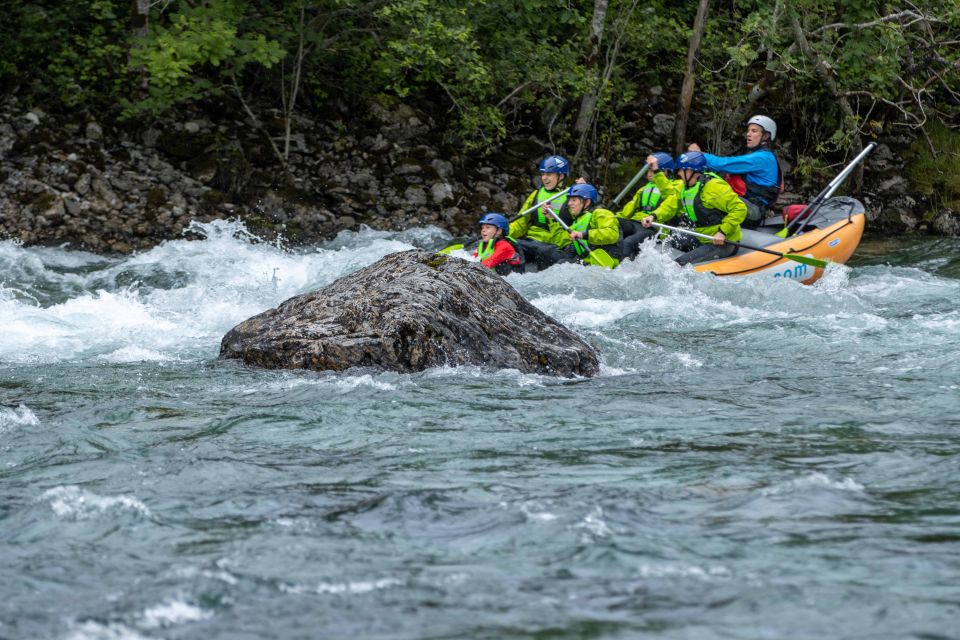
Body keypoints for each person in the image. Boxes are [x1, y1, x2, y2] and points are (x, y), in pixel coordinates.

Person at [640, 151, 747, 266]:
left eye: (682, 170)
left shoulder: (713, 187)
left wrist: (723, 232)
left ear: (693, 171)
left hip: (723, 242)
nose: (679, 173)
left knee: (679, 264)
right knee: (667, 241)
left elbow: (740, 208)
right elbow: (671, 204)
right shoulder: (685, 187)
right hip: (701, 237)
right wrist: (653, 216)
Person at [688, 115, 782, 228]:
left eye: (754, 131)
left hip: (753, 211)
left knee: (708, 195)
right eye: (748, 131)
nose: (748, 134)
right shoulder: (765, 157)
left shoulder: (763, 158)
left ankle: (709, 232)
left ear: (765, 136)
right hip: (751, 207)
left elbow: (723, 164)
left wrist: (699, 155)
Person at [508, 154, 576, 270]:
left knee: (543, 251)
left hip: (555, 247)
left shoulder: (572, 198)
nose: (544, 178)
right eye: (543, 174)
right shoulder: (536, 194)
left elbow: (575, 231)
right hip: (531, 242)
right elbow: (520, 223)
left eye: (549, 174)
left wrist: (551, 220)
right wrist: (503, 232)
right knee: (507, 244)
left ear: (561, 176)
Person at [617, 152, 679, 259]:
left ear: (666, 172)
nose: (649, 174)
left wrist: (653, 216)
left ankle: (620, 272)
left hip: (654, 228)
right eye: (648, 170)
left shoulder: (675, 186)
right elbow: (626, 212)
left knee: (628, 242)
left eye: (653, 170)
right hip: (636, 222)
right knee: (614, 225)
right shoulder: (644, 189)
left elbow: (669, 206)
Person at [561, 183, 622, 268]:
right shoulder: (577, 222)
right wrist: (550, 220)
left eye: (574, 200)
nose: (569, 203)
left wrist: (584, 234)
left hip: (606, 263)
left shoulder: (600, 213)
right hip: (586, 263)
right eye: (569, 200)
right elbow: (561, 241)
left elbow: (612, 234)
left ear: (587, 202)